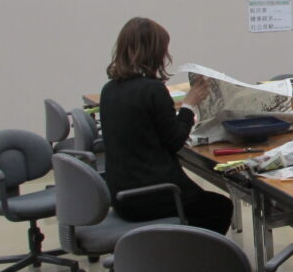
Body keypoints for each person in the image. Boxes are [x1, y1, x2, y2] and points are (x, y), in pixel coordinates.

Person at [99, 17, 233, 235]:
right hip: (152, 194)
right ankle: (189, 250)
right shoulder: (153, 90)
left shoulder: (109, 90)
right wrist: (189, 105)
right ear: (155, 52)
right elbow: (175, 140)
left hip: (121, 193)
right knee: (220, 208)